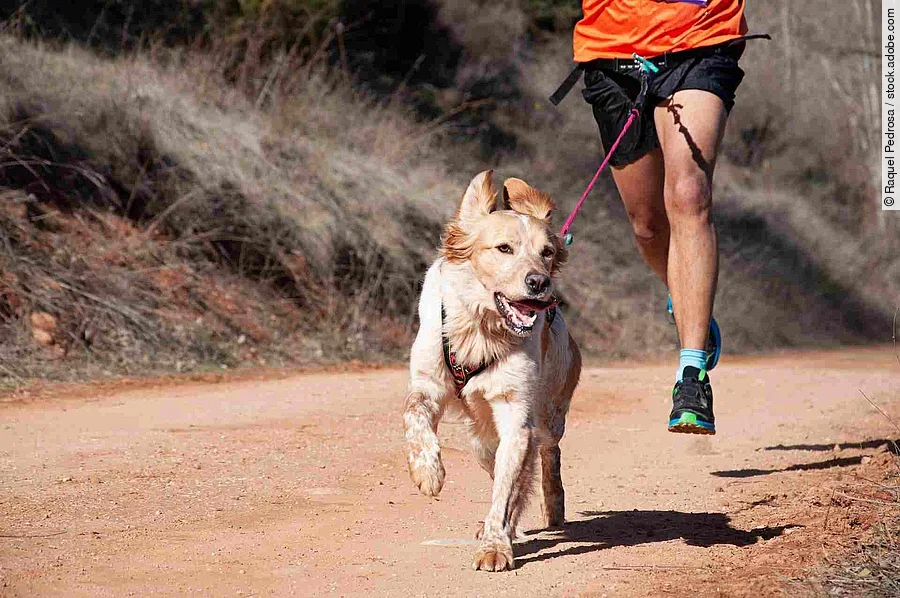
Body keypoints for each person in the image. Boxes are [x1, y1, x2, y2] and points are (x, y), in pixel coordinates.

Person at [573, 0, 750, 435]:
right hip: (613, 53)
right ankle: (687, 299)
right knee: (647, 226)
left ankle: (692, 378)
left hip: (701, 43)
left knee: (690, 192)